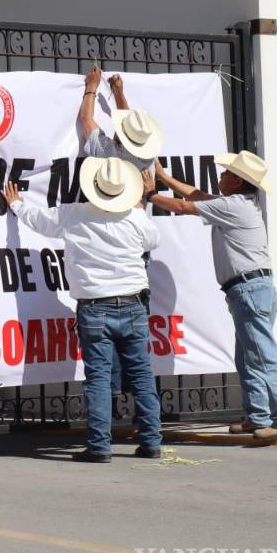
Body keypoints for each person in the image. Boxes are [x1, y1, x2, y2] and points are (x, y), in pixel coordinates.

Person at [4, 157, 163, 462]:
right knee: (142, 375)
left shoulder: (73, 214)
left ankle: (100, 446)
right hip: (132, 304)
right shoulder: (135, 216)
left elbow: (38, 219)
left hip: (95, 307)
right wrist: (141, 205)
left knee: (99, 378)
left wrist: (16, 204)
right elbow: (153, 239)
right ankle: (151, 441)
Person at [146, 150, 277, 441]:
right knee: (248, 358)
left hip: (249, 290)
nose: (221, 176)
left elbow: (183, 206)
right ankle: (257, 416)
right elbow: (198, 195)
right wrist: (165, 177)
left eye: (228, 173)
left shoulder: (233, 206)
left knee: (263, 356)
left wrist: (150, 193)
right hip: (250, 289)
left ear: (239, 182)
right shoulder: (235, 203)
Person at [77, 65, 164, 397]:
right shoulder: (146, 154)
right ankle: (132, 387)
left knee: (105, 320)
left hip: (108, 241)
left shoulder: (108, 152)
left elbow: (87, 124)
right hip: (137, 243)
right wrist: (118, 93)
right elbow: (131, 129)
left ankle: (112, 390)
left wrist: (91, 89)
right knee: (134, 321)